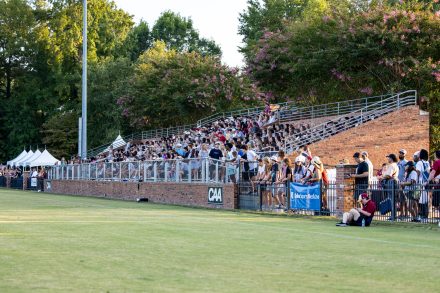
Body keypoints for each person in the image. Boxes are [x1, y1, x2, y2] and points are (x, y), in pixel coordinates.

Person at [416, 149, 430, 221]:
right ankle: (425, 216)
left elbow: (418, 172)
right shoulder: (427, 162)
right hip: (427, 182)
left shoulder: (419, 162)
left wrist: (416, 181)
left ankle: (422, 216)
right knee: (426, 200)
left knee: (420, 200)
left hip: (421, 183)